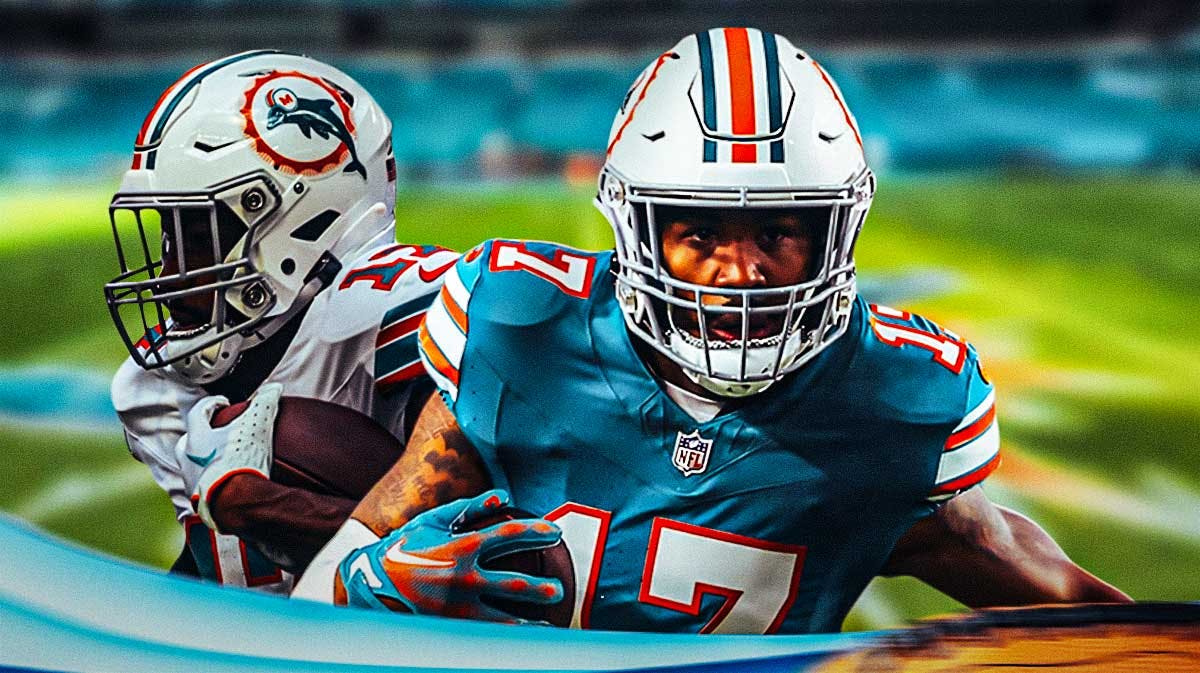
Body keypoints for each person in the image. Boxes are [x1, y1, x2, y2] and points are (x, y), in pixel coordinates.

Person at [294, 28, 1130, 630]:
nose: (742, 272)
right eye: (701, 235)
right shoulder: (517, 329)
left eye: (777, 233)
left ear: (835, 232)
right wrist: (362, 582)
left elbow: (1093, 619)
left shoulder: (896, 405)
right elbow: (323, 593)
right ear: (634, 227)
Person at [105, 51, 457, 593]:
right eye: (170, 237)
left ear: (302, 221)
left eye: (200, 238)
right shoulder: (156, 388)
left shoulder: (414, 315)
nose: (173, 271)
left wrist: (269, 506)